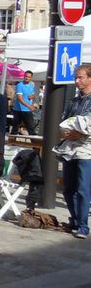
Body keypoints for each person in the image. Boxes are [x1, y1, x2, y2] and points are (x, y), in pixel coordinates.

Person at [61, 64, 91, 239]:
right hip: (70, 148)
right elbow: (65, 120)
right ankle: (74, 217)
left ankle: (83, 225)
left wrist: (79, 132)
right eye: (76, 77)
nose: (77, 81)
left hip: (86, 149)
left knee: (82, 188)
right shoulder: (74, 101)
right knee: (68, 187)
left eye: (80, 77)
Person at [11, 71, 38, 135]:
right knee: (15, 127)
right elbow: (20, 98)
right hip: (18, 109)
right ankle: (12, 141)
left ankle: (34, 143)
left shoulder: (31, 85)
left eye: (29, 77)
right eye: (26, 76)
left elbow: (33, 95)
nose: (27, 78)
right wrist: (29, 106)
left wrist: (33, 96)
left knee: (30, 127)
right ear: (24, 76)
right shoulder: (20, 85)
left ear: (31, 78)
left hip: (27, 110)